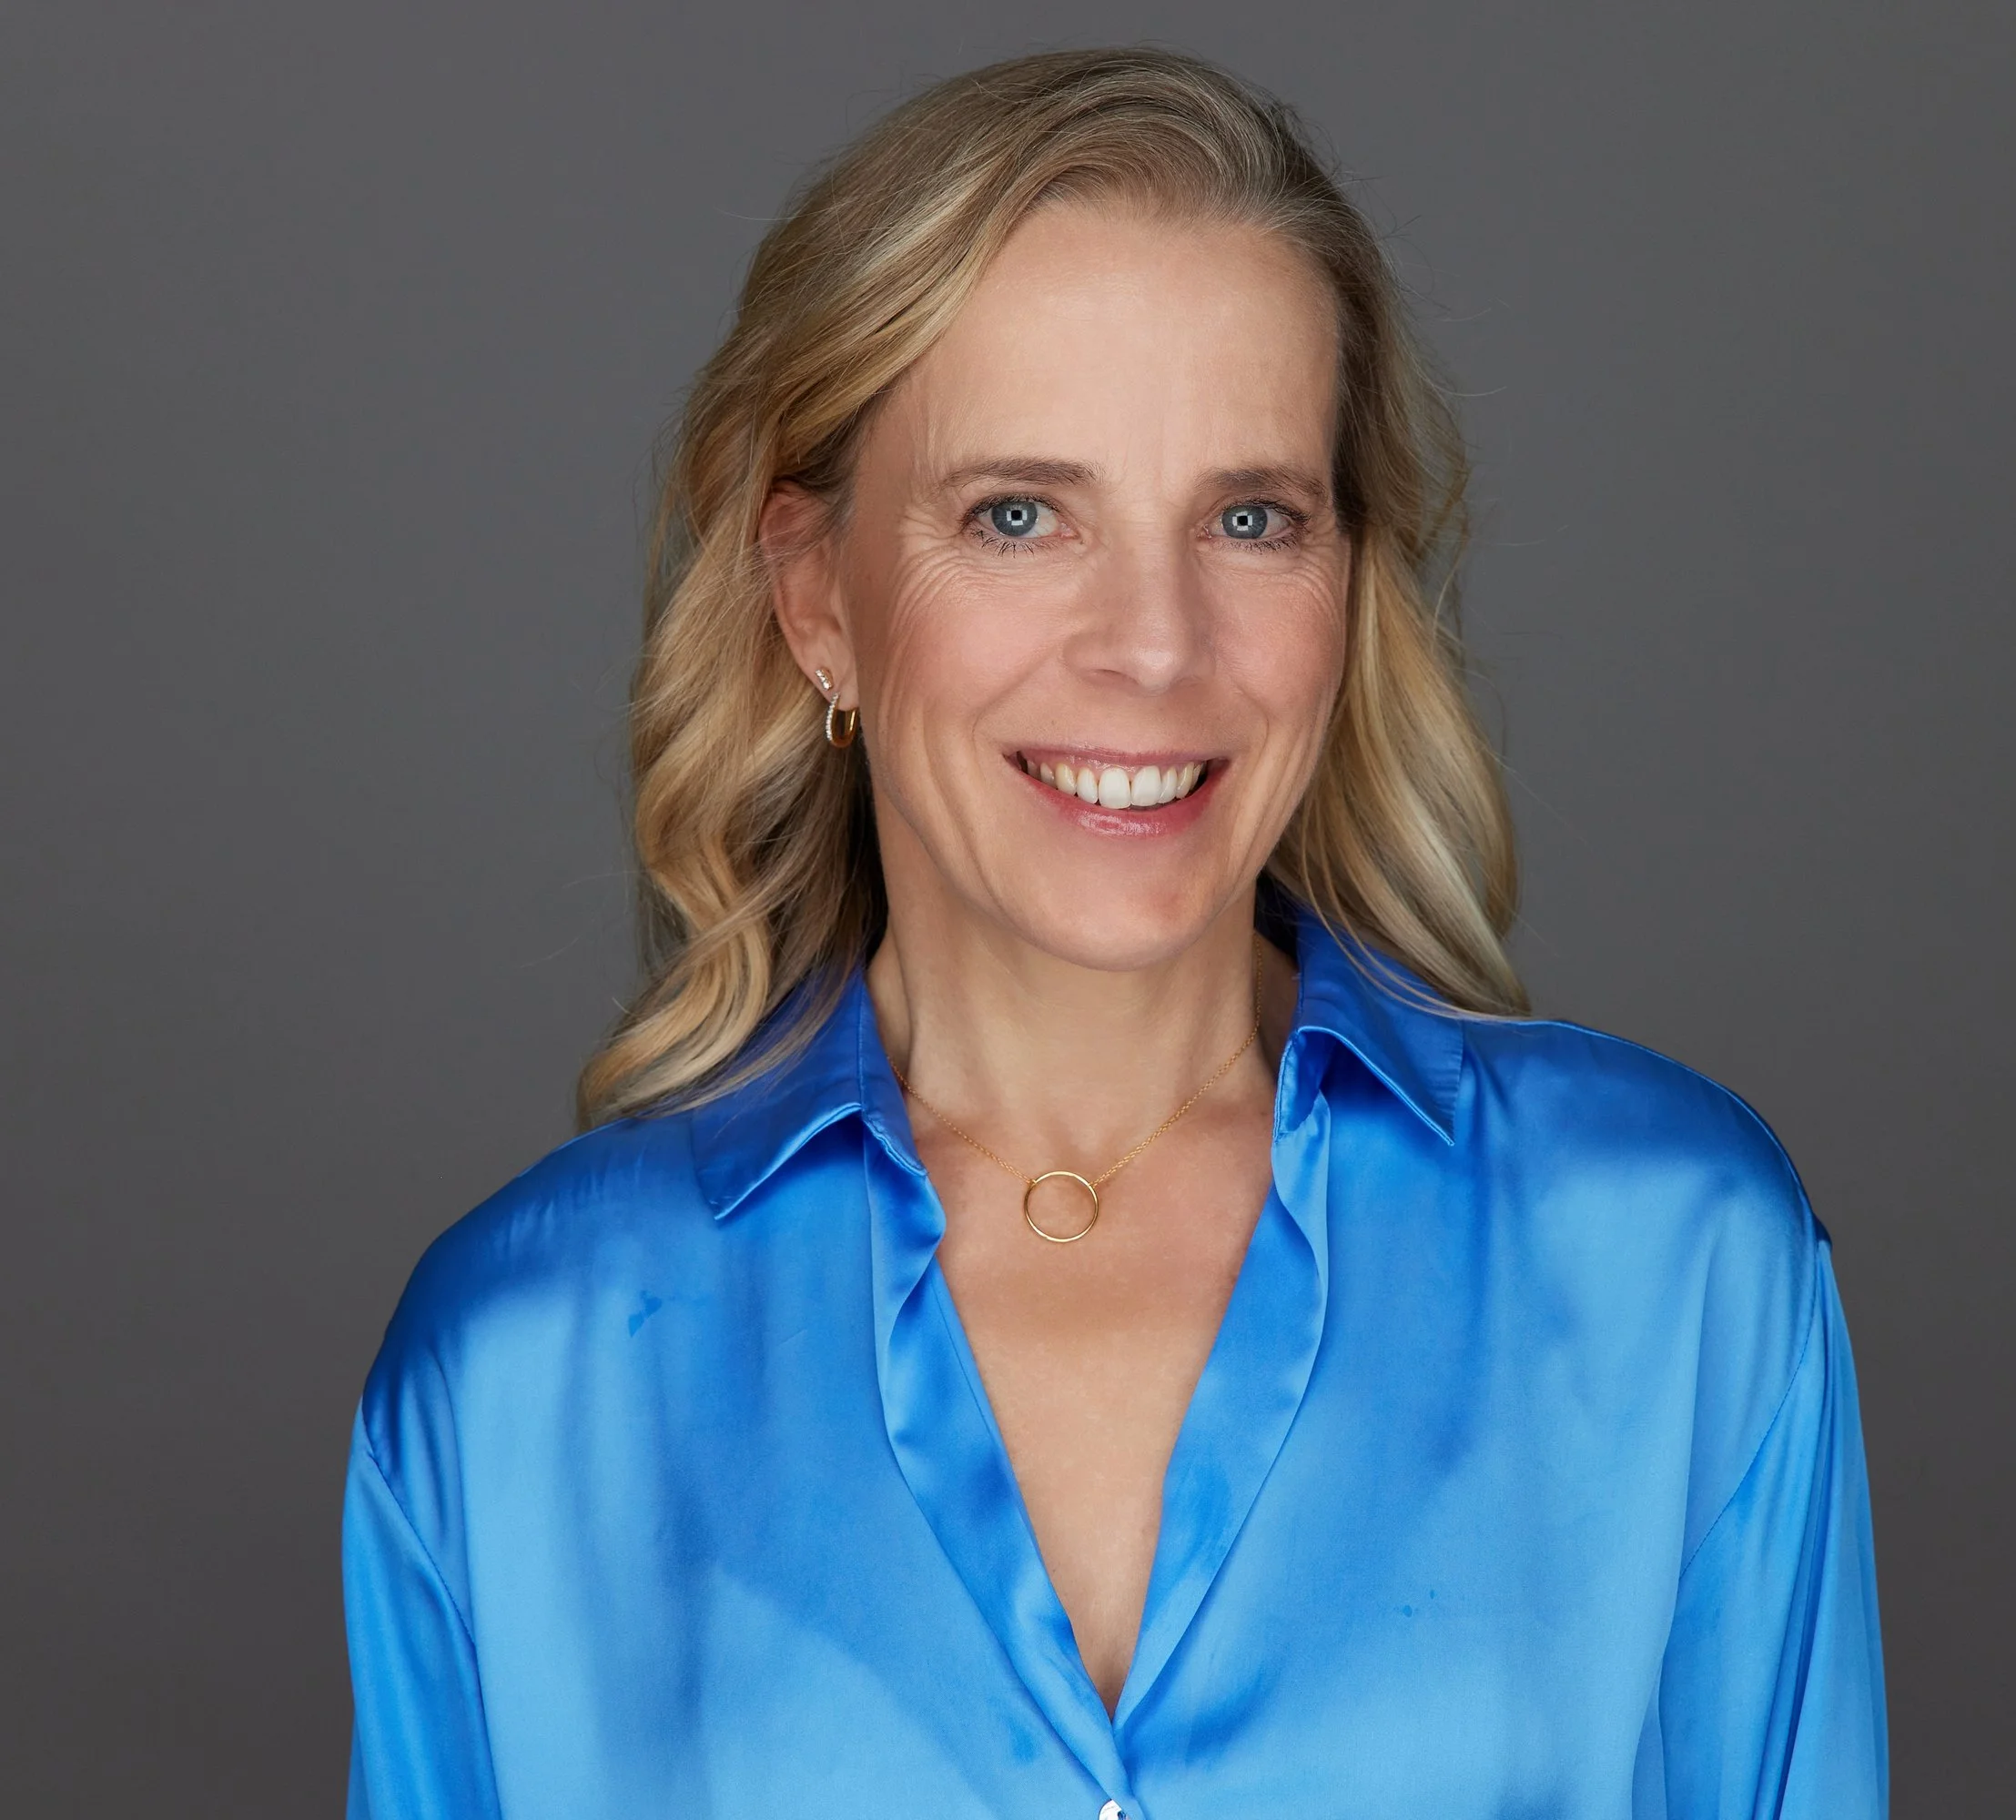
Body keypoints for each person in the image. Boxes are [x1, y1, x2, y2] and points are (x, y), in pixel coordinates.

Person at [341, 45, 1887, 1820]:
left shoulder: (1674, 1262)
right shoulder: (519, 1370)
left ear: (1345, 587)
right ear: (815, 601)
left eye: (1247, 518)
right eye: (1018, 515)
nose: (1152, 644)